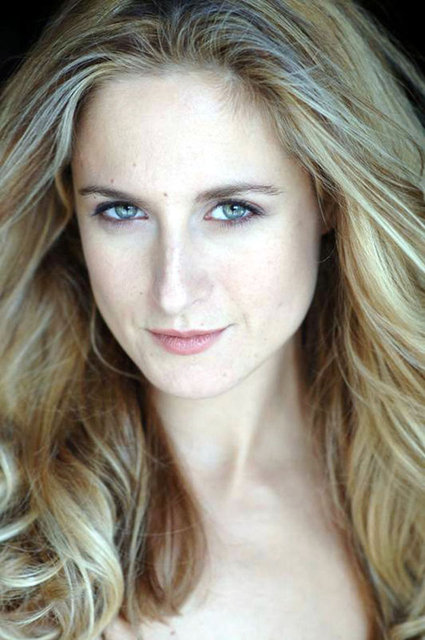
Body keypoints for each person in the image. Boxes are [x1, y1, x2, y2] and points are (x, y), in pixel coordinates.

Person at [1, 0, 424, 638]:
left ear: (330, 200)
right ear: (71, 207)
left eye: (231, 210)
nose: (173, 291)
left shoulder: (410, 485)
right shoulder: (15, 514)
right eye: (122, 211)